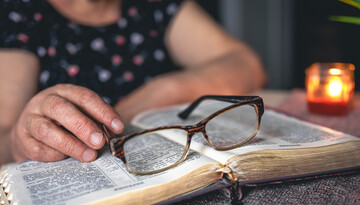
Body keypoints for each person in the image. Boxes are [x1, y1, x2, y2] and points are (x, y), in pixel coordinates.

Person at [0, 0, 266, 166]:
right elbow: (5, 137)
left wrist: (164, 91)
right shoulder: (21, 12)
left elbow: (247, 65)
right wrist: (18, 141)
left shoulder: (154, 5)